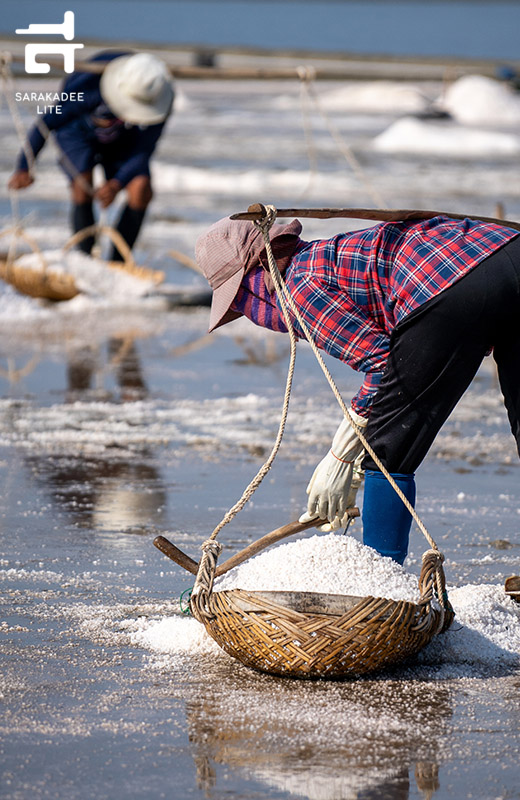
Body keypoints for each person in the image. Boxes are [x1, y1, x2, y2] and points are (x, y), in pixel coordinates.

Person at [195, 213, 520, 564]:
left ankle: (380, 579)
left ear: (256, 278)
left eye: (244, 301)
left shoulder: (301, 288)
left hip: (448, 281)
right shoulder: (327, 256)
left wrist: (342, 454)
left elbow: (385, 365)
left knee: (388, 445)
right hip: (505, 250)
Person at [8, 51, 174, 260]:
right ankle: (84, 259)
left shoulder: (159, 94)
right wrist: (24, 166)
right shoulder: (87, 86)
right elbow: (46, 124)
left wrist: (117, 183)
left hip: (124, 138)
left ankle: (118, 263)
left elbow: (144, 150)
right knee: (82, 184)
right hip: (77, 133)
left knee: (141, 188)